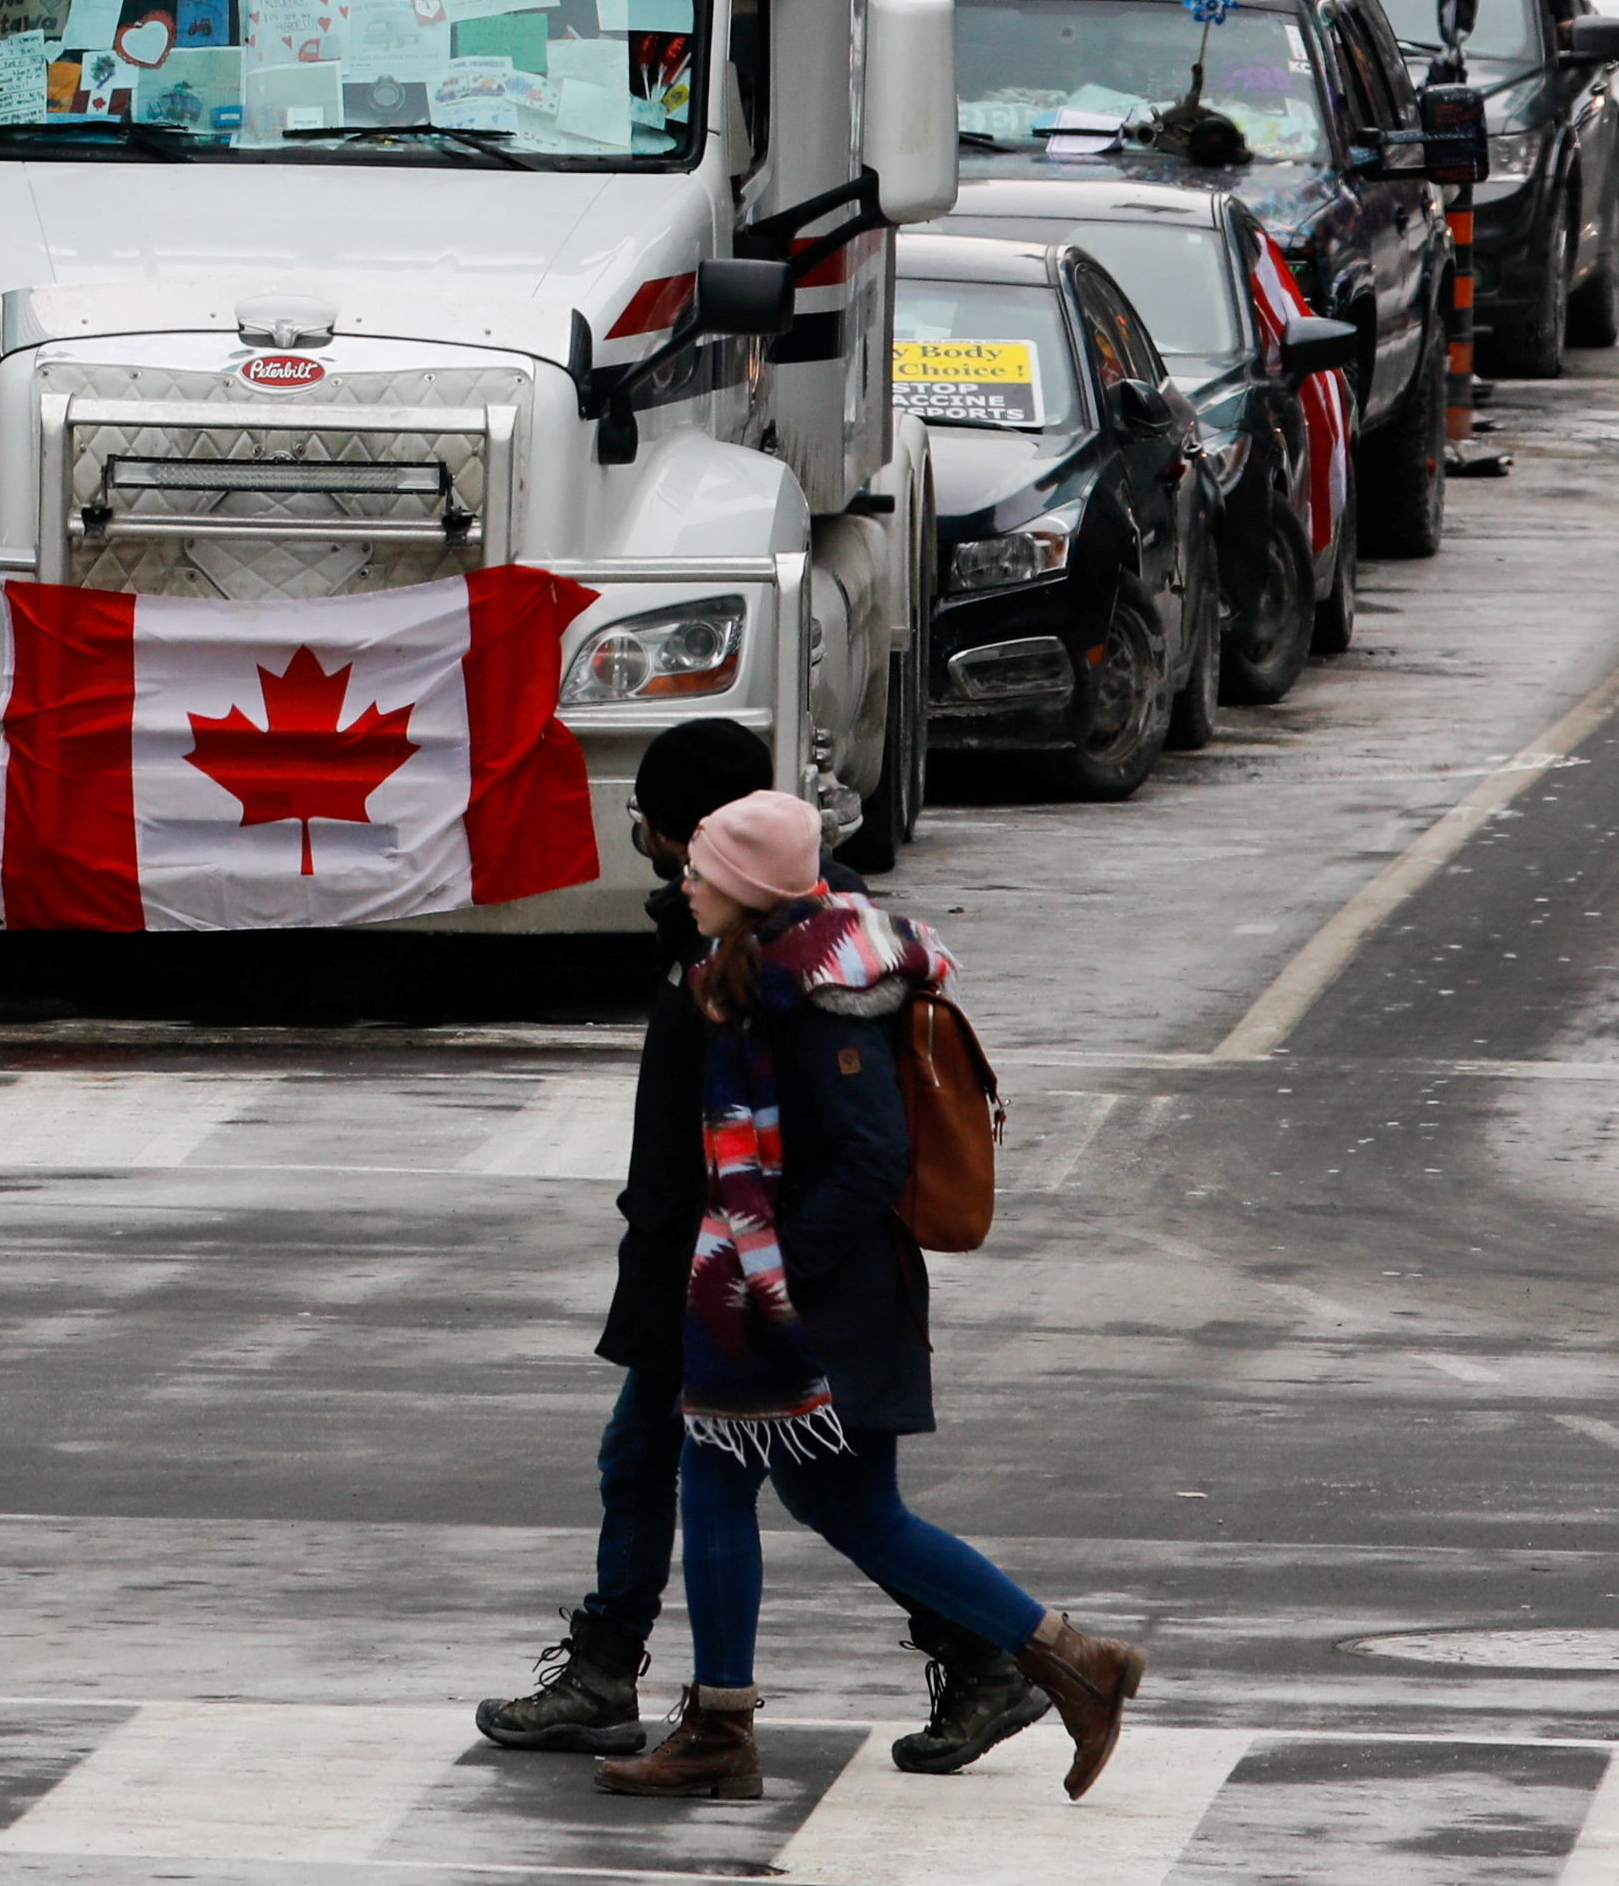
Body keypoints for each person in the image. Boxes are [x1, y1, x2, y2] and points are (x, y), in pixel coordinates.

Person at [478, 727, 1040, 1774]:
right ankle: (968, 1656)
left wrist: (749, 1264)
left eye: (652, 820)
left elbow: (857, 1147)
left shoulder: (792, 956)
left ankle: (990, 1653)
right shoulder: (734, 926)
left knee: (744, 1480)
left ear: (704, 836)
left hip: (743, 1271)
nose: (644, 840)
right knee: (757, 1484)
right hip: (708, 1258)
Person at [594, 789, 1147, 1806]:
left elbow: (869, 1155)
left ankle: (723, 1725)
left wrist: (774, 1268)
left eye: (705, 870)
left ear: (751, 888)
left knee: (736, 1483)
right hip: (797, 1292)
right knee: (845, 1506)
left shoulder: (819, 996)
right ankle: (1070, 1659)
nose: (686, 881)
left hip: (818, 1302)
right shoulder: (763, 972)